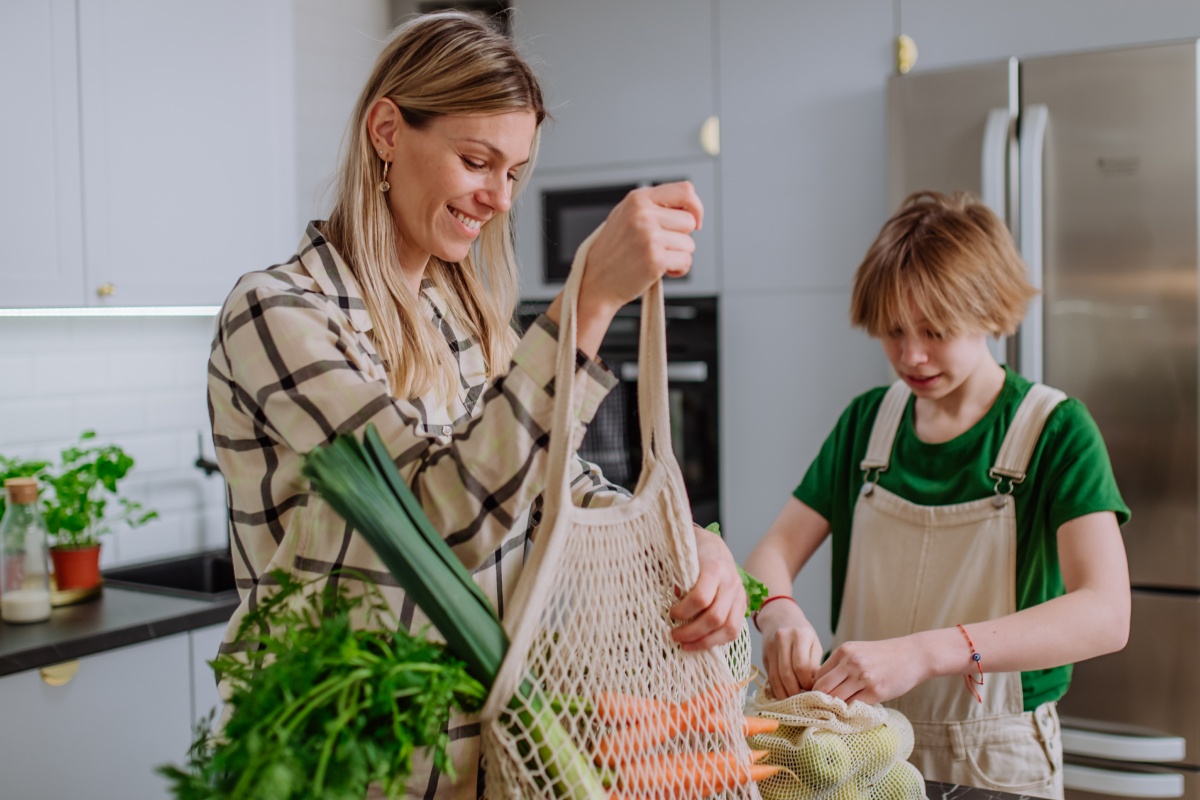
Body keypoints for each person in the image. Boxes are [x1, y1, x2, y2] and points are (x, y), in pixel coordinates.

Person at [206, 11, 746, 799]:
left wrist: (690, 546)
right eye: (476, 160)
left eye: (514, 172)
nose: (498, 197)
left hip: (471, 756)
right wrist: (588, 299)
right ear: (387, 131)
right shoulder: (278, 314)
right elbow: (431, 521)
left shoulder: (468, 320)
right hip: (335, 763)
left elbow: (546, 487)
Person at [743, 190, 1131, 798]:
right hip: (859, 747)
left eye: (936, 330)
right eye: (894, 331)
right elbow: (771, 556)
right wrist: (779, 612)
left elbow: (1106, 614)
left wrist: (926, 653)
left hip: (996, 753)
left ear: (991, 312)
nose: (912, 355)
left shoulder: (1055, 431)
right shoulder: (868, 423)